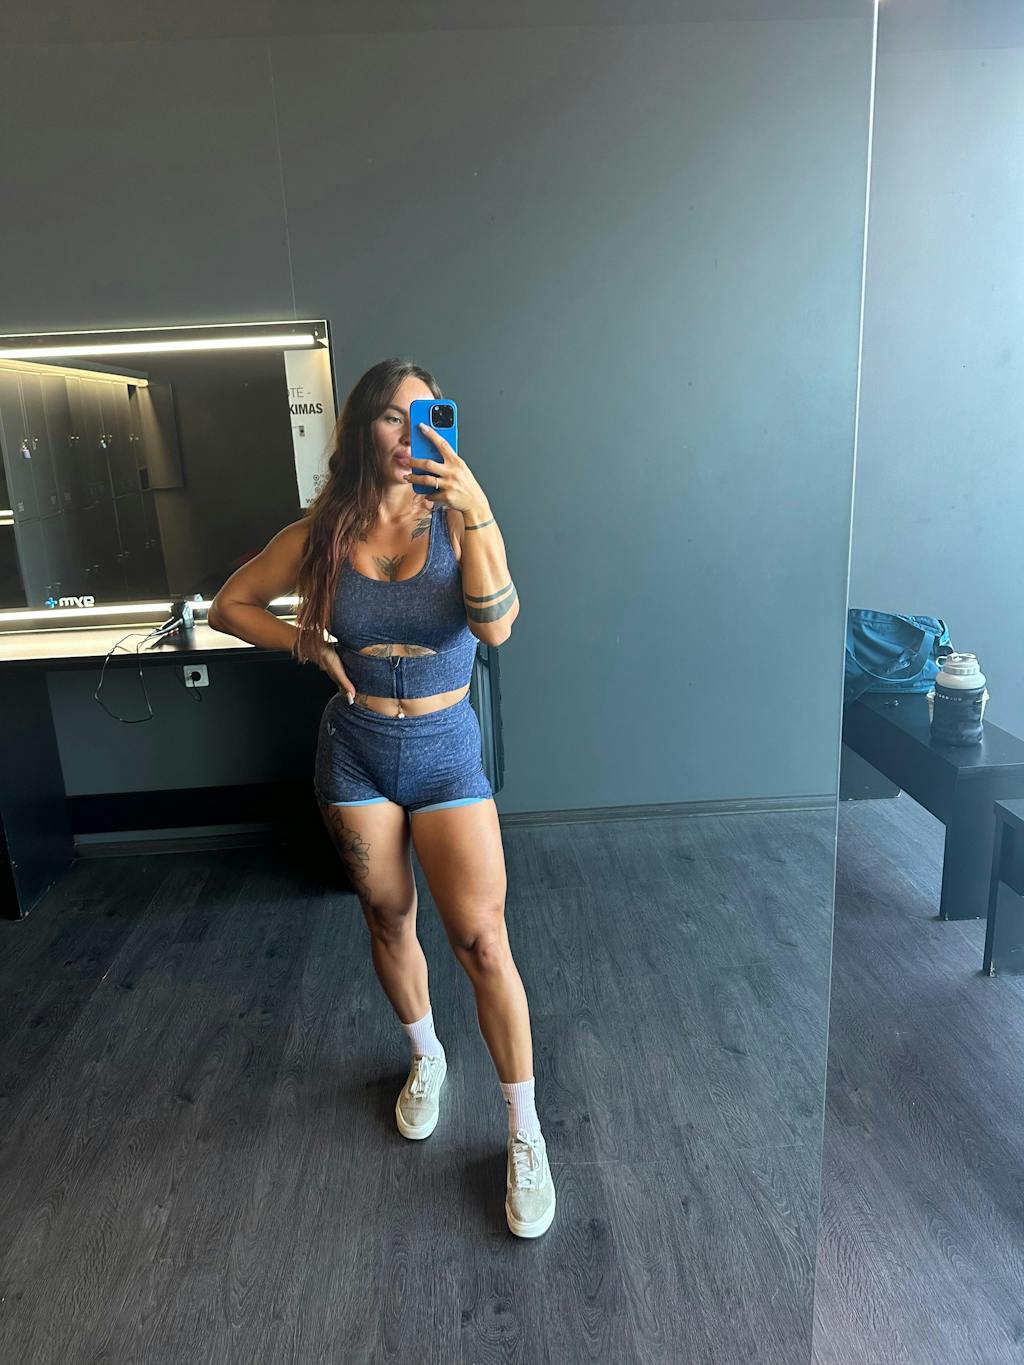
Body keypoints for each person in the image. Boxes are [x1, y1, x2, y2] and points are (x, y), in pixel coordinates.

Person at [208, 358, 555, 1238]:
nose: (410, 434)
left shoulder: (460, 517)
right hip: (356, 752)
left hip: (445, 754)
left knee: (482, 940)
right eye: (393, 417)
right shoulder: (324, 531)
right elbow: (228, 606)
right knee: (388, 918)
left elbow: (497, 625)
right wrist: (304, 643)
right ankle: (426, 1055)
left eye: (426, 416)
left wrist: (475, 506)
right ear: (363, 427)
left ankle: (524, 1130)